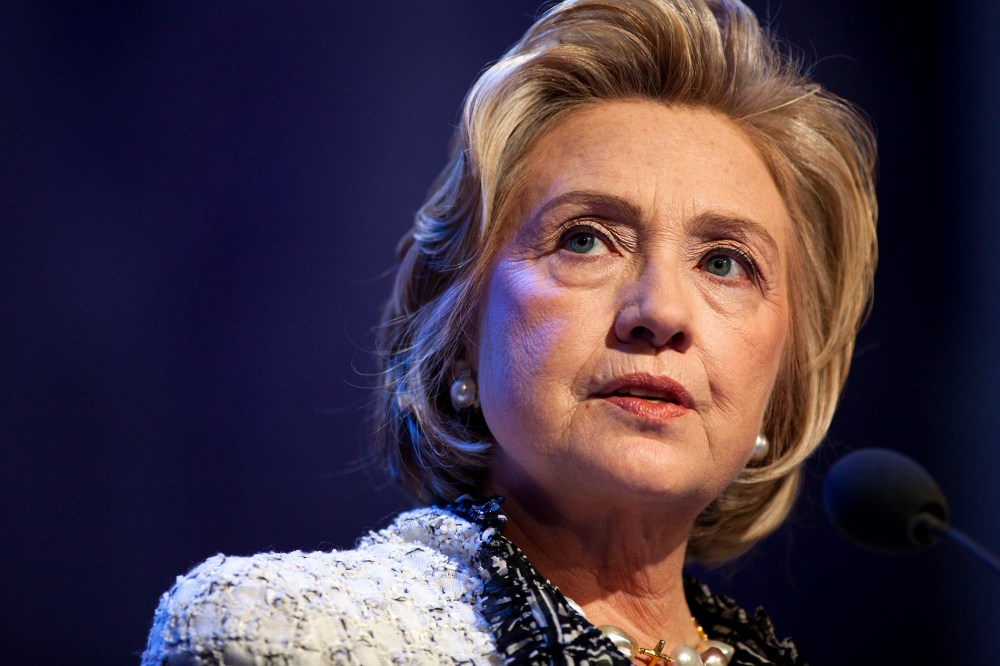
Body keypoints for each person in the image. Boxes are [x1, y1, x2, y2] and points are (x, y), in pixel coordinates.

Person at [141, 0, 876, 664]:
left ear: (781, 378)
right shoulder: (281, 636)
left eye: (724, 262)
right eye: (584, 240)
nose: (660, 312)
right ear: (460, 332)